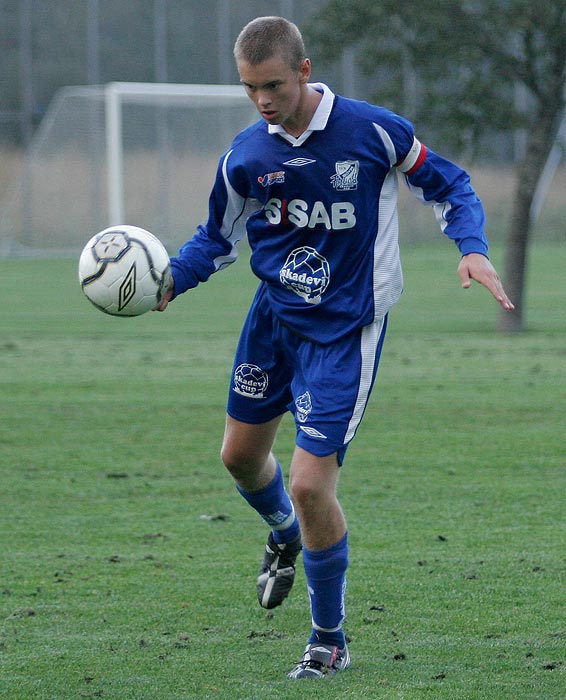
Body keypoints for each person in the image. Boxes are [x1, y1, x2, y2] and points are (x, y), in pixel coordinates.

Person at [155, 16, 514, 679]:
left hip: (346, 331)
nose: (262, 101)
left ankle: (329, 641)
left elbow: (451, 184)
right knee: (238, 457)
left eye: (270, 85)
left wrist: (473, 250)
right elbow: (217, 237)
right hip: (273, 319)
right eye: (248, 89)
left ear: (302, 70)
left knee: (310, 484)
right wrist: (173, 277)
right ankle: (285, 534)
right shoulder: (246, 156)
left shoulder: (372, 131)